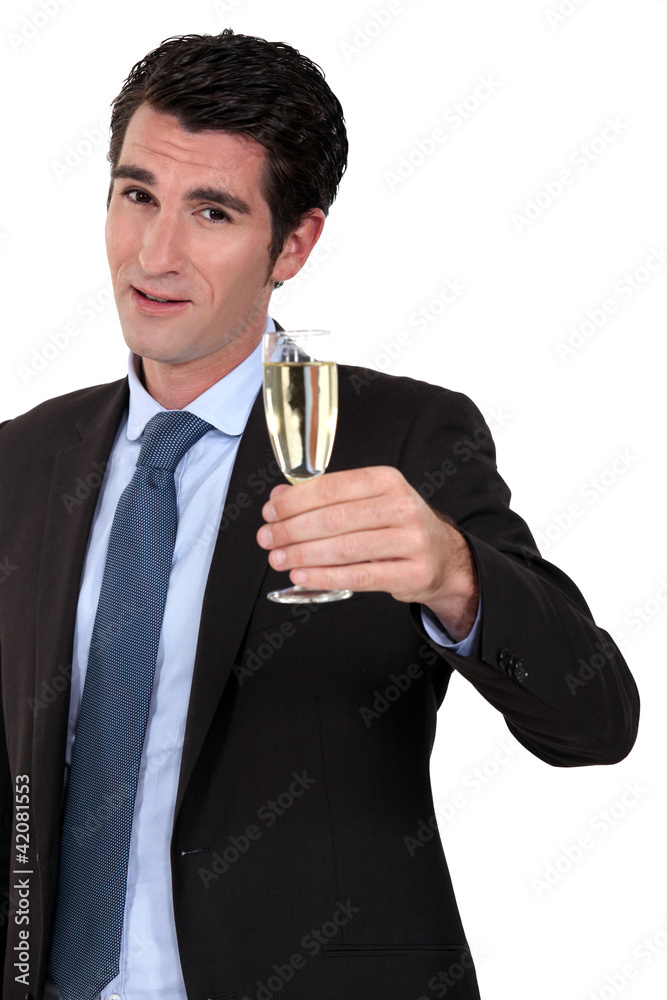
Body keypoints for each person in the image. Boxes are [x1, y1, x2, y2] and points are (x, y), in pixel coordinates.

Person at [0, 28, 639, 1000]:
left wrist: (456, 577)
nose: (155, 253)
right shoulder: (23, 458)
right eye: (137, 196)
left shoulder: (401, 435)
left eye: (212, 211)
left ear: (293, 244)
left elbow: (595, 722)